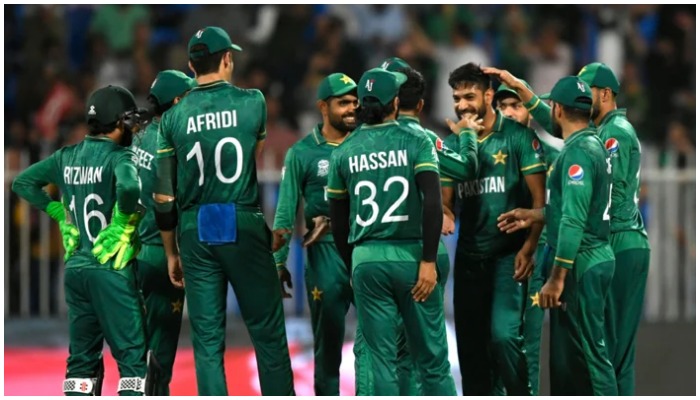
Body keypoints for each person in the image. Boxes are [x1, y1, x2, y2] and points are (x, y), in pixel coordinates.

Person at [153, 26, 294, 395]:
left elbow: (164, 197)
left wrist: (171, 252)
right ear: (228, 59)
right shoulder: (254, 102)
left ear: (190, 65)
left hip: (193, 225)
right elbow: (252, 159)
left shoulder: (172, 119)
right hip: (239, 217)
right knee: (267, 332)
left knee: (207, 340)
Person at [327, 67, 456, 396]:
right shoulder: (416, 139)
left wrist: (351, 265)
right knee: (432, 359)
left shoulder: (342, 151)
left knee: (382, 360)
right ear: (396, 103)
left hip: (367, 259)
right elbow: (431, 203)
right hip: (413, 256)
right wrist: (428, 260)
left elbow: (338, 221)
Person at [12, 85, 148, 395]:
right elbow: (128, 187)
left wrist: (59, 212)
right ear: (119, 123)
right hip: (111, 268)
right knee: (133, 364)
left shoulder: (66, 156)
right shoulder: (120, 157)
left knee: (81, 365)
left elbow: (23, 183)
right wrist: (122, 221)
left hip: (76, 270)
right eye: (129, 121)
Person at [497, 76, 618, 395]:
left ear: (559, 110)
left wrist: (557, 277)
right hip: (591, 255)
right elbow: (573, 210)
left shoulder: (575, 154)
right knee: (572, 357)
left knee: (591, 356)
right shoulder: (590, 143)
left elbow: (573, 220)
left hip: (582, 259)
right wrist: (534, 214)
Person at [445, 63, 545, 396]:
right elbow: (445, 202)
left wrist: (528, 247)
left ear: (488, 95)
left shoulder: (519, 137)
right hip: (469, 260)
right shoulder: (453, 142)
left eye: (469, 96)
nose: (462, 105)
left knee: (504, 338)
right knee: (472, 354)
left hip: (508, 258)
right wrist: (443, 212)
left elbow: (539, 204)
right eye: (457, 98)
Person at [271, 72, 358, 395]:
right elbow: (285, 210)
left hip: (366, 249)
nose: (353, 108)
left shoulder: (367, 142)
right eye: (344, 102)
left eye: (355, 101)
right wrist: (278, 261)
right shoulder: (303, 152)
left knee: (375, 344)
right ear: (323, 106)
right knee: (328, 347)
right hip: (324, 255)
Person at [484, 68, 563, 395]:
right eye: (502, 106)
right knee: (493, 342)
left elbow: (563, 212)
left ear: (530, 111)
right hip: (493, 257)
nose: (509, 112)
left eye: (516, 105)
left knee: (527, 344)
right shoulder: (484, 152)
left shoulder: (555, 157)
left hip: (535, 261)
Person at [579, 62, 651, 395]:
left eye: (586, 92)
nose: (580, 99)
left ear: (605, 93)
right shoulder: (604, 130)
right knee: (611, 349)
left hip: (622, 238)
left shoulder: (616, 132)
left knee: (613, 351)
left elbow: (614, 194)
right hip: (618, 241)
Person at [131, 70, 196, 395]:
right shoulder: (176, 145)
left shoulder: (136, 136)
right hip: (163, 253)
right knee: (162, 348)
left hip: (129, 254)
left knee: (133, 346)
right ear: (179, 101)